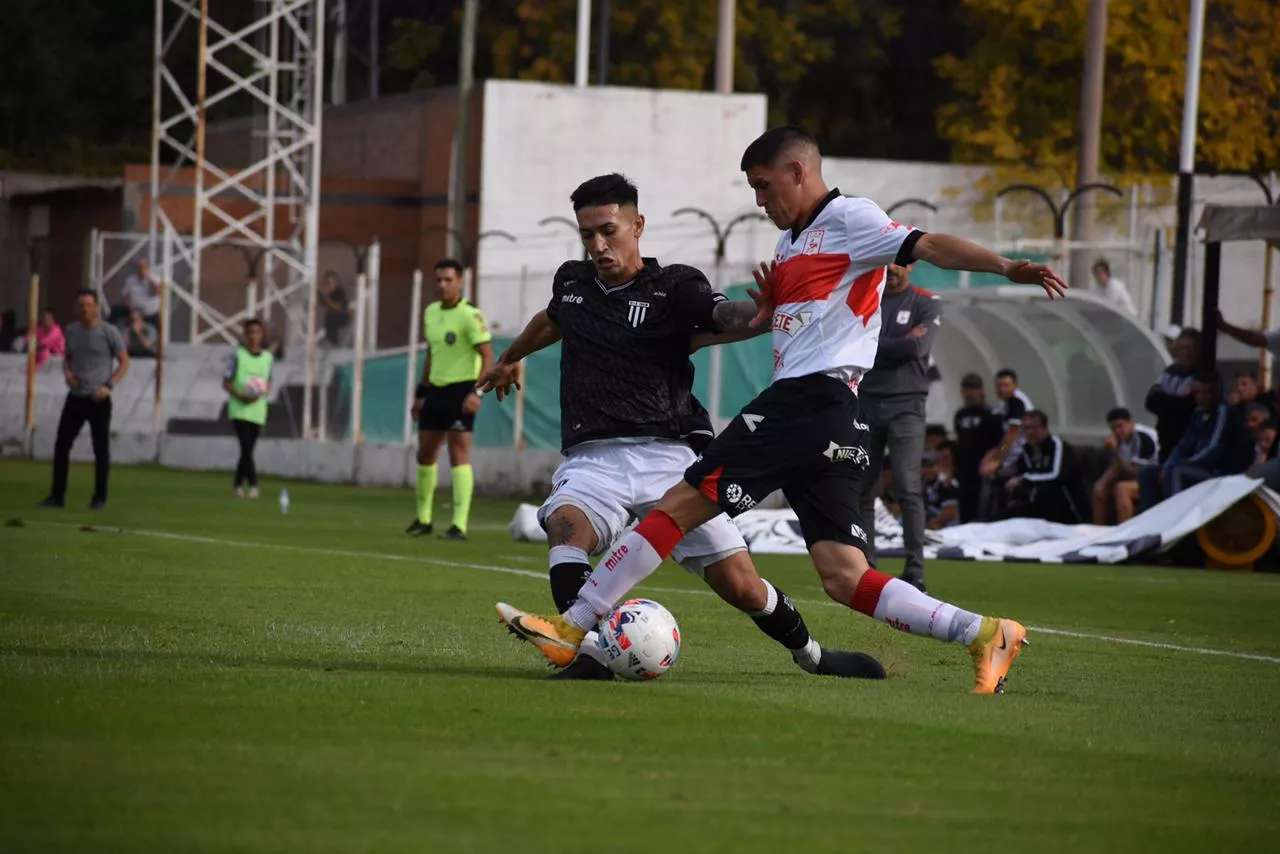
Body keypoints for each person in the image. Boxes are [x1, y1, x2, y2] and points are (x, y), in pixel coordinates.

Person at [496, 126, 1068, 694]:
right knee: (845, 577)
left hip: (808, 398)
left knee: (679, 503)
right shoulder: (790, 243)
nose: (760, 202)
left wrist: (1005, 266)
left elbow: (931, 245)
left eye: (765, 187)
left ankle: (572, 625)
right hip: (836, 414)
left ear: (798, 172)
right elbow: (759, 318)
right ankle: (984, 632)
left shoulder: (850, 218)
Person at [479, 173, 883, 682]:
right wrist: (511, 356)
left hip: (670, 457)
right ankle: (588, 654)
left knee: (743, 586)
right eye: (588, 235)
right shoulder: (574, 283)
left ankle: (815, 657)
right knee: (566, 526)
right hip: (592, 458)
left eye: (609, 231)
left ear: (638, 225)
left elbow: (724, 314)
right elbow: (554, 318)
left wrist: (758, 313)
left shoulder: (674, 287)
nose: (598, 246)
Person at [857, 259, 941, 591]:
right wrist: (897, 344)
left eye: (899, 263)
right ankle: (867, 565)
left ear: (913, 265)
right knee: (863, 487)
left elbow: (918, 345)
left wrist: (874, 345)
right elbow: (853, 342)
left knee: (907, 485)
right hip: (866, 402)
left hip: (907, 406)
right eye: (886, 262)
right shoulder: (868, 298)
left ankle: (915, 568)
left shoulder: (926, 301)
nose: (892, 268)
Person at [407, 259, 494, 541]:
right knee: (425, 454)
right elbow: (432, 354)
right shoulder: (431, 312)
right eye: (439, 280)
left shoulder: (471, 315)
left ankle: (459, 524)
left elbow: (487, 356)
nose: (442, 285)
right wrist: (420, 394)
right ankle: (423, 518)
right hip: (435, 391)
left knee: (458, 455)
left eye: (448, 280)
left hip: (461, 392)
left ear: (460, 282)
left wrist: (477, 393)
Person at [38, 290, 129, 510]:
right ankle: (57, 496)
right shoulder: (72, 331)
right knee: (62, 444)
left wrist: (109, 386)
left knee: (100, 448)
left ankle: (99, 497)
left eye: (89, 305)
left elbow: (124, 362)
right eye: (81, 305)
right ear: (76, 308)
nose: (85, 309)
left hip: (98, 397)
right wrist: (68, 375)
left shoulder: (109, 332)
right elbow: (66, 359)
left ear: (96, 307)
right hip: (76, 396)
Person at [1138, 372, 1232, 508]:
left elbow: (1213, 449)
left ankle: (1175, 516)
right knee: (1147, 473)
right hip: (1191, 465)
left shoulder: (1222, 413)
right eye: (1196, 393)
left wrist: (1184, 464)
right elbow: (1183, 446)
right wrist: (1169, 465)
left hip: (1214, 469)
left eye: (1202, 393)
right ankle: (1149, 520)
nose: (1198, 398)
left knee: (1176, 472)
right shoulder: (1198, 415)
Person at [999, 410, 1086, 524]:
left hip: (1065, 508)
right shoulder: (1026, 450)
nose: (1030, 432)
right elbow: (1010, 461)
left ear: (1045, 428)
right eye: (1026, 428)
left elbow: (1056, 475)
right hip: (1035, 506)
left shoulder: (1058, 446)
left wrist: (1023, 480)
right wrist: (997, 464)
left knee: (1046, 493)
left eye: (1034, 427)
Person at [222, 319, 274, 499]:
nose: (254, 336)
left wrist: (262, 391)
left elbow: (269, 381)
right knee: (245, 446)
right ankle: (253, 485)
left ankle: (237, 485)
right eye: (250, 332)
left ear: (262, 335)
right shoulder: (237, 356)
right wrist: (240, 396)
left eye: (257, 332)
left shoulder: (268, 357)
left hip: (257, 409)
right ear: (245, 335)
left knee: (248, 450)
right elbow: (226, 382)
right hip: (239, 408)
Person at [978, 368, 1033, 518]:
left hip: (1020, 457)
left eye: (1006, 385)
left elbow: (1012, 434)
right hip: (1011, 455)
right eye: (999, 385)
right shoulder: (1006, 404)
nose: (1002, 389)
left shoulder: (1017, 403)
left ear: (1015, 385)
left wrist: (998, 459)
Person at [1092, 407, 1159, 524]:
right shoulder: (1121, 438)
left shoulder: (1143, 438)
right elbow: (1117, 466)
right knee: (1099, 488)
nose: (1117, 431)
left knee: (1122, 488)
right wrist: (1102, 483)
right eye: (1114, 428)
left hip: (1154, 480)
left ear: (1131, 423)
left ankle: (1124, 532)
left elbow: (1134, 472)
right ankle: (1098, 531)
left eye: (1120, 426)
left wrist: (1115, 451)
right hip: (1136, 477)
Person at [953, 373, 1003, 523]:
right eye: (967, 389)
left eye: (974, 389)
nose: (970, 393)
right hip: (964, 468)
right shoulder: (960, 415)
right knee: (964, 505)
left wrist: (997, 460)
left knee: (982, 507)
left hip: (984, 469)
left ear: (981, 391)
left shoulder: (992, 414)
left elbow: (1003, 443)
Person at [1145, 328, 1201, 462]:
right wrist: (1174, 401)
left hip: (1187, 439)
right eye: (1182, 348)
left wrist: (1166, 400)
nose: (1185, 353)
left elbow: (1186, 406)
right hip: (1166, 439)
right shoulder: (1170, 372)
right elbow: (1151, 400)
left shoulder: (1201, 374)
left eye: (1190, 348)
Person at [115, 258, 162, 327]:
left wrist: (148, 277)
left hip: (151, 313)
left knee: (151, 332)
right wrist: (131, 309)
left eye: (143, 266)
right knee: (116, 312)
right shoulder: (131, 280)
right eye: (139, 267)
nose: (141, 269)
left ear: (147, 267)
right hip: (136, 312)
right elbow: (125, 296)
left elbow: (158, 291)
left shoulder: (154, 278)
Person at [921, 451, 959, 530]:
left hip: (950, 532)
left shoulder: (947, 485)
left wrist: (925, 527)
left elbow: (949, 514)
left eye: (930, 466)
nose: (927, 470)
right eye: (923, 467)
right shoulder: (923, 486)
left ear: (938, 467)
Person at [320, 271, 352, 347]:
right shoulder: (328, 294)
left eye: (330, 282)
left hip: (341, 324)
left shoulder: (339, 292)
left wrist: (327, 298)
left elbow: (339, 307)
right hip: (330, 324)